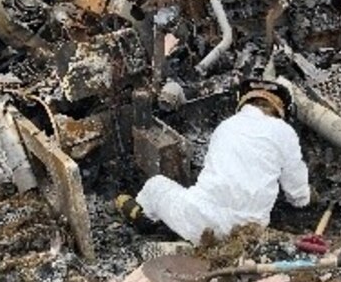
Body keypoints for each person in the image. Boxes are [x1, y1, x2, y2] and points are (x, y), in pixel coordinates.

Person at [115, 80, 311, 244]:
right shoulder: (285, 132)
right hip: (249, 233)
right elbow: (298, 196)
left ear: (244, 102)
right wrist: (305, 199)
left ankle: (144, 218)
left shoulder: (225, 127)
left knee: (155, 185)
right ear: (281, 109)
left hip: (200, 223)